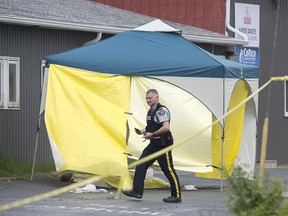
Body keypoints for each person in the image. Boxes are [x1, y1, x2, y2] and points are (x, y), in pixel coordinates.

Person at [123, 89, 181, 203]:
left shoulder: (162, 111)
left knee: (168, 170)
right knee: (141, 165)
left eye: (150, 98)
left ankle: (177, 196)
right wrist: (142, 130)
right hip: (154, 144)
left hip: (164, 145)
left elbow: (166, 127)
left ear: (157, 97)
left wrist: (152, 134)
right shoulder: (151, 111)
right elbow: (153, 126)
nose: (148, 100)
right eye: (147, 98)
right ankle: (137, 191)